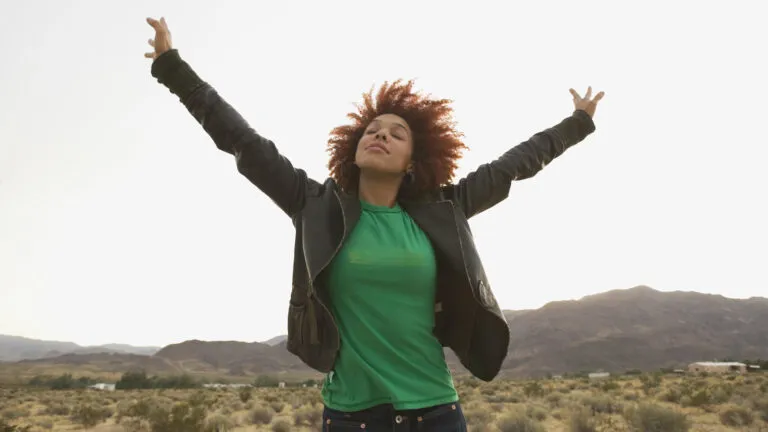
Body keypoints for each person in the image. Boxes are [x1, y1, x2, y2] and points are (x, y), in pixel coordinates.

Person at [144, 16, 604, 432]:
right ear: (354, 147)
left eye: (396, 132)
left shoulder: (445, 207)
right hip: (350, 417)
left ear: (412, 163)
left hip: (435, 412)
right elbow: (241, 139)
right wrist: (172, 67)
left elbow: (513, 166)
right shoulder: (313, 204)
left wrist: (577, 123)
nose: (380, 133)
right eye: (372, 130)